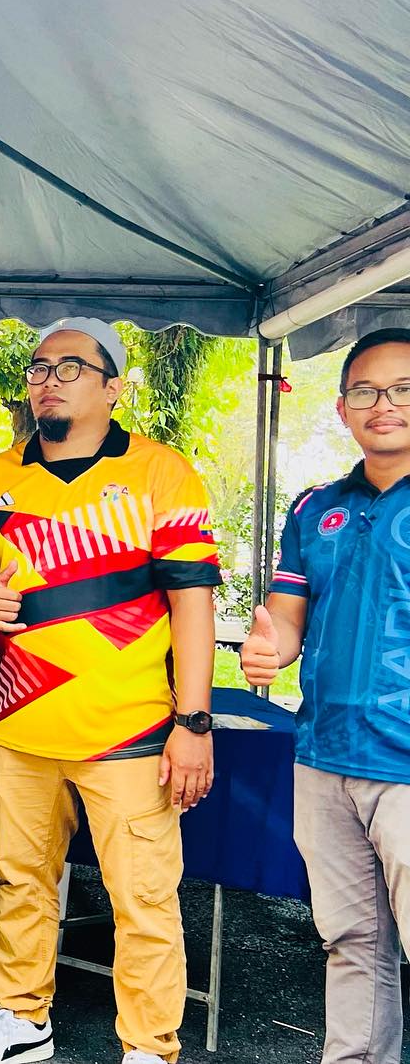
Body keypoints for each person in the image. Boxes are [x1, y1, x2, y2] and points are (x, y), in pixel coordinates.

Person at [0, 317, 220, 1064]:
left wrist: (194, 722)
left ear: (114, 387)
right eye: (39, 368)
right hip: (16, 724)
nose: (48, 381)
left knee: (144, 898)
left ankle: (149, 1045)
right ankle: (21, 1019)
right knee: (20, 882)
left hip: (129, 732)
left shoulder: (162, 473)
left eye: (70, 368)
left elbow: (193, 601)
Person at [240, 327, 410, 1064]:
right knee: (352, 937)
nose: (385, 404)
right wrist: (269, 647)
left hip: (406, 765)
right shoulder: (316, 508)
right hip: (324, 756)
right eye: (366, 391)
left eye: (403, 389)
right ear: (342, 408)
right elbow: (287, 618)